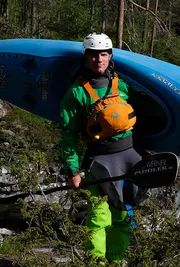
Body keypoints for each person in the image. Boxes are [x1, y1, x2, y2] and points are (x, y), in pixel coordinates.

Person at [59, 32, 141, 266]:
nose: (99, 59)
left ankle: (117, 261)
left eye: (104, 54)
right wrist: (73, 170)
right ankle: (96, 263)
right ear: (86, 57)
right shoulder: (76, 93)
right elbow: (69, 135)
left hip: (129, 157)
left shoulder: (122, 85)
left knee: (125, 217)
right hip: (99, 162)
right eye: (94, 55)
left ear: (110, 55)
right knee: (98, 218)